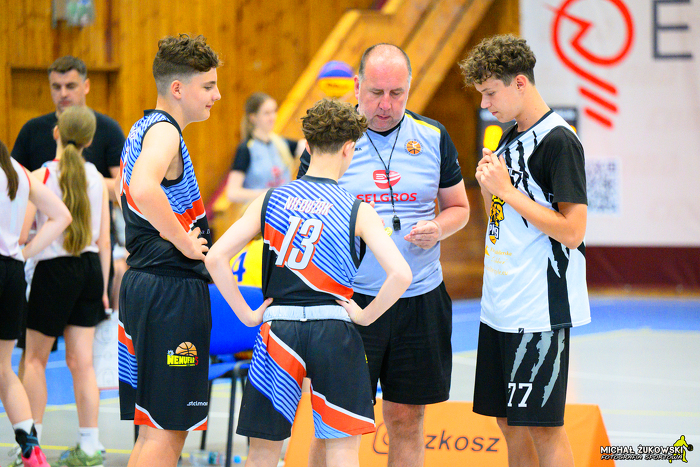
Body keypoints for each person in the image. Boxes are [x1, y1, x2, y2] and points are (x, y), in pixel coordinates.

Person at [206, 98, 412, 467]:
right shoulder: (357, 209)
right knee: (342, 451)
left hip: (279, 329)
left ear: (307, 145)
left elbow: (215, 257)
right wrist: (364, 316)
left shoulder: (270, 199)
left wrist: (247, 315)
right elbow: (401, 274)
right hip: (334, 330)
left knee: (263, 451)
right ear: (348, 149)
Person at [301, 44, 471, 467]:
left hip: (420, 299)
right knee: (335, 423)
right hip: (350, 300)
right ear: (357, 85)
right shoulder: (330, 141)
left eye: (397, 93)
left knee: (407, 418)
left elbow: (459, 208)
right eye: (376, 92)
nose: (386, 105)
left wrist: (439, 228)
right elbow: (302, 214)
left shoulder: (433, 136)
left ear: (410, 87)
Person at [459, 34, 590, 467]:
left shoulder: (559, 142)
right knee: (508, 422)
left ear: (519, 83)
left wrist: (509, 191)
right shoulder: (507, 138)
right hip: (500, 303)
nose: (485, 105)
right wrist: (489, 188)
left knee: (543, 427)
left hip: (539, 309)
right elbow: (500, 221)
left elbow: (573, 231)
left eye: (489, 93)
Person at [117, 34, 220, 467]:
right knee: (166, 434)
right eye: (208, 85)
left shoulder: (142, 128)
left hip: (147, 286)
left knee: (153, 431)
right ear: (177, 88)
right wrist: (185, 241)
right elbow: (143, 188)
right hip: (169, 292)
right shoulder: (164, 132)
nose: (217, 95)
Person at [20, 105, 111, 467]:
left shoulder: (41, 175)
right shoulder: (96, 177)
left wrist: (23, 252)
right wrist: (103, 286)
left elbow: (25, 230)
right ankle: (90, 446)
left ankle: (31, 449)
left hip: (54, 271)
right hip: (89, 270)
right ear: (90, 140)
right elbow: (105, 241)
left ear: (56, 133)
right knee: (82, 363)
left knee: (34, 361)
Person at [0, 139, 71, 467]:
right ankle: (32, 449)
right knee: (4, 369)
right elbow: (62, 215)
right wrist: (24, 253)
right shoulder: (19, 171)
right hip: (13, 273)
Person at [225, 92, 304, 204]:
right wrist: (268, 194)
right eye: (267, 113)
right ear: (253, 117)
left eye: (274, 111)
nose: (273, 117)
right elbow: (232, 193)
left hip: (283, 208)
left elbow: (310, 147)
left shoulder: (281, 143)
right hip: (260, 210)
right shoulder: (246, 149)